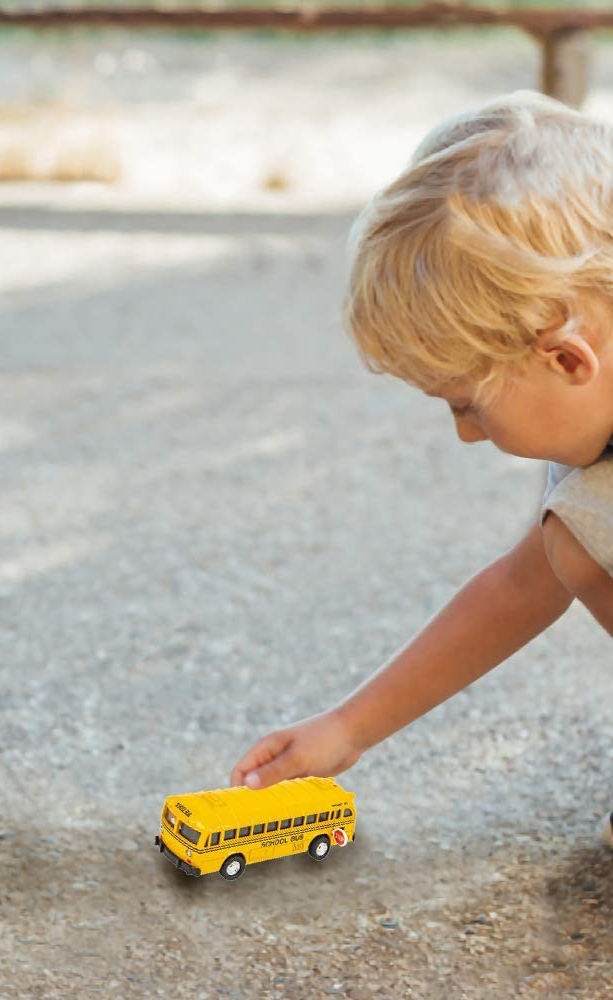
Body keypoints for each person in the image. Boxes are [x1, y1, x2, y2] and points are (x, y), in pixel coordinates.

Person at [231, 91, 613, 850]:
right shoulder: (588, 426)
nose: (467, 435)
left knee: (576, 538)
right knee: (569, 538)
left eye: (467, 403)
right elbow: (517, 588)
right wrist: (348, 727)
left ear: (568, 358)